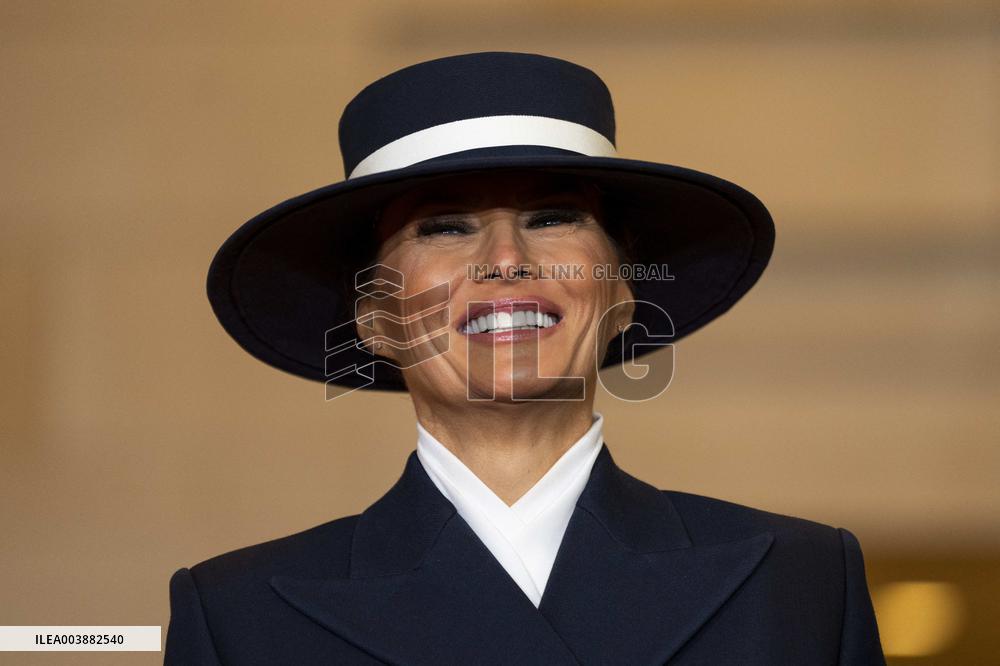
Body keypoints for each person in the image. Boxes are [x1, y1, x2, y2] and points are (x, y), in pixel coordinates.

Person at [165, 51, 885, 665]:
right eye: (444, 227)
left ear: (623, 299)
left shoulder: (803, 584)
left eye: (553, 218)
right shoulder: (236, 618)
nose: (506, 260)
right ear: (376, 321)